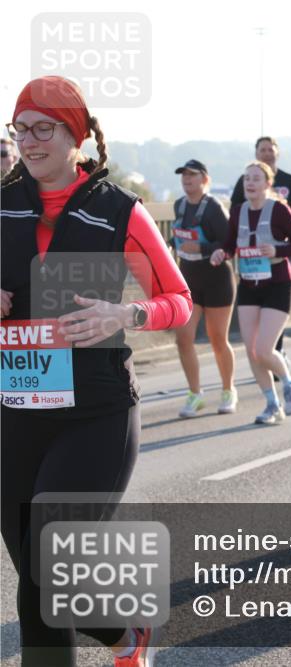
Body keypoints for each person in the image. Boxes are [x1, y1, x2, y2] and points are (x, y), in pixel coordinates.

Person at [2, 75, 192, 667]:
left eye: (43, 129)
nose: (29, 142)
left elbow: (178, 299)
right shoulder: (3, 201)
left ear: (75, 135)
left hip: (96, 412)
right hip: (18, 413)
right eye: (20, 129)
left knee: (44, 570)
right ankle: (122, 637)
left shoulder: (119, 211)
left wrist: (126, 311)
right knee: (38, 583)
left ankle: (126, 634)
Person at [210, 161, 291, 424]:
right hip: (249, 284)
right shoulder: (239, 210)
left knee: (264, 350)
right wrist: (223, 253)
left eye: (256, 179)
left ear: (268, 184)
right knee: (252, 350)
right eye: (246, 179)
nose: (250, 183)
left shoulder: (279, 210)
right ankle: (272, 404)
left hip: (278, 283)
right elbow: (231, 244)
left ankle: (289, 382)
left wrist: (277, 251)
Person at [230, 137, 291, 371]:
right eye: (261, 150)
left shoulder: (288, 180)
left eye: (270, 149)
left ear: (277, 153)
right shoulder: (244, 182)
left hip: (276, 256)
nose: (266, 153)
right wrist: (225, 249)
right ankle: (269, 361)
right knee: (253, 341)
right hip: (250, 267)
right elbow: (235, 211)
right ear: (256, 153)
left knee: (272, 320)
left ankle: (276, 353)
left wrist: (290, 229)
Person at [170, 159, 238, 417]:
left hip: (216, 278)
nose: (187, 180)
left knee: (217, 339)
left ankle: (228, 390)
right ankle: (195, 393)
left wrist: (202, 248)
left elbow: (229, 243)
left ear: (205, 180)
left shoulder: (214, 208)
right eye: (184, 175)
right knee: (183, 338)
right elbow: (178, 236)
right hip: (188, 278)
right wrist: (168, 246)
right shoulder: (179, 205)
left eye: (193, 175)